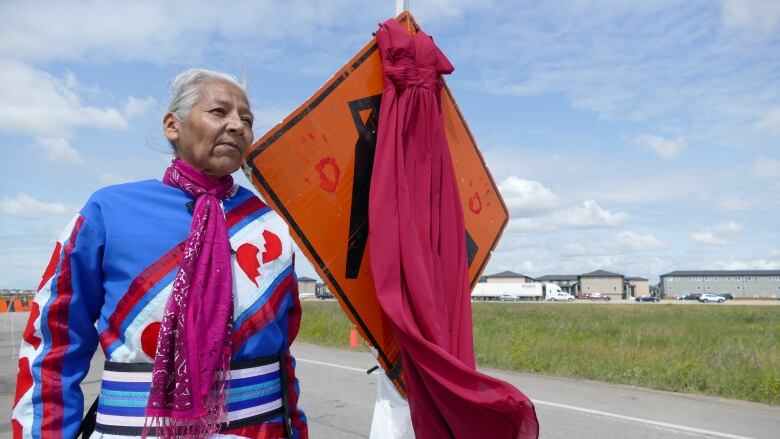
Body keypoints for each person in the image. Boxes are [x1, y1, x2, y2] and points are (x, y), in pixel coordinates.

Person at [12, 68, 308, 439]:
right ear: (173, 125)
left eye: (246, 119)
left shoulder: (268, 225)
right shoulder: (109, 211)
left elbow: (283, 356)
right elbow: (54, 344)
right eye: (219, 112)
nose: (237, 126)